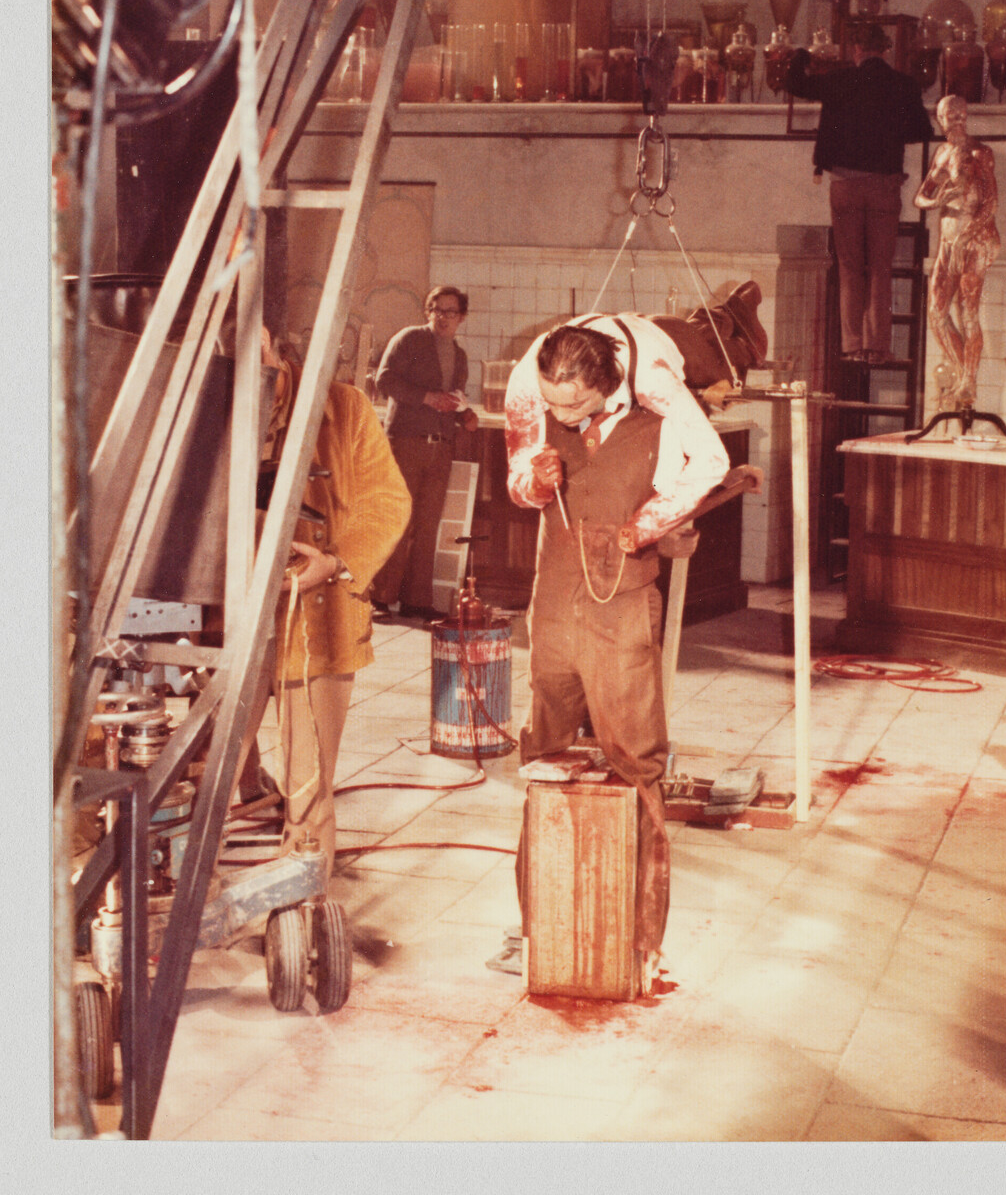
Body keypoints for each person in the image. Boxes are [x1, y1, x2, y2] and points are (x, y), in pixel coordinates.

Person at [504, 314, 729, 985]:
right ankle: (538, 928)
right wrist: (536, 481)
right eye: (552, 404)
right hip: (557, 595)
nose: (560, 416)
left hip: (625, 601)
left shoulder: (656, 386)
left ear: (607, 385)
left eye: (573, 406)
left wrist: (650, 523)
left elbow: (712, 464)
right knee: (544, 749)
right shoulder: (529, 384)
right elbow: (517, 476)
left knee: (634, 757)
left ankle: (640, 939)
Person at [241, 327, 412, 876]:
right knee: (214, 752)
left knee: (309, 777)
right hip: (235, 615)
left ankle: (303, 896)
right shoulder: (203, 404)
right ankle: (243, 790)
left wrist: (335, 563)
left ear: (267, 343)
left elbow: (386, 502)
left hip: (319, 610)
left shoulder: (344, 407)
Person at [787, 22, 931, 362]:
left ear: (855, 50)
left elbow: (795, 83)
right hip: (884, 186)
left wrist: (801, 55)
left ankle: (852, 346)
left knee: (850, 266)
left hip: (846, 186)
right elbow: (921, 130)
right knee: (880, 267)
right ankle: (877, 347)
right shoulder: (903, 85)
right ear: (885, 49)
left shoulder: (839, 82)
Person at [369, 286, 478, 623]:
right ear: (428, 312)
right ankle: (382, 597)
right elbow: (384, 380)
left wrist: (465, 414)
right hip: (406, 441)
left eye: (451, 312)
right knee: (398, 517)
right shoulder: (409, 339)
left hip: (441, 446)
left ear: (461, 318)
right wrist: (428, 398)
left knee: (428, 525)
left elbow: (453, 400)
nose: (444, 317)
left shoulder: (459, 355)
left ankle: (417, 599)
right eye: (438, 310)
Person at [914, 93, 1000, 408]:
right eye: (953, 116)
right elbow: (921, 197)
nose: (959, 121)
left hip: (973, 242)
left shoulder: (980, 153)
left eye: (963, 115)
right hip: (948, 242)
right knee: (937, 313)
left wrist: (971, 233)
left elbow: (991, 202)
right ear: (942, 119)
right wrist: (936, 201)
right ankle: (964, 376)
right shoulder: (942, 154)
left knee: (968, 313)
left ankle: (968, 383)